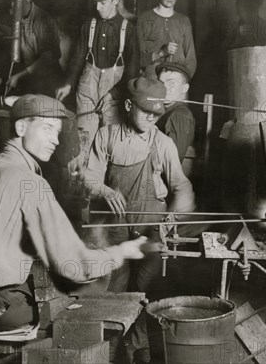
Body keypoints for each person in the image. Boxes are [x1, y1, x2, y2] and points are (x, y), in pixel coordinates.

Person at [0, 94, 148, 332]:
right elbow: (76, 265)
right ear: (21, 126)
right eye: (48, 128)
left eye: (57, 132)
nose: (56, 140)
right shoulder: (30, 183)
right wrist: (121, 251)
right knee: (86, 289)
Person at [84, 76, 195, 362]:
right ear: (129, 105)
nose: (151, 117)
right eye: (146, 110)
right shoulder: (107, 135)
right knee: (113, 293)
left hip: (150, 229)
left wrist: (173, 215)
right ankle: (109, 351)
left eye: (157, 113)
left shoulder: (163, 143)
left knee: (147, 293)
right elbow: (89, 177)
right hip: (115, 231)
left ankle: (138, 349)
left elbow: (182, 186)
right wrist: (104, 189)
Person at [58, 0, 140, 149]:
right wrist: (67, 84)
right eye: (96, 3)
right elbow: (78, 58)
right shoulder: (89, 25)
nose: (98, 7)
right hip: (88, 86)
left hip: (115, 90)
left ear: (115, 0)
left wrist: (113, 94)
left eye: (103, 3)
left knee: (109, 141)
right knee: (83, 138)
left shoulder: (129, 30)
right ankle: (81, 174)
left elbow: (132, 72)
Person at [0, 0, 64, 98]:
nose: (10, 12)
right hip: (32, 77)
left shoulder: (44, 21)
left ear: (23, 0)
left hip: (48, 79)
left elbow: (48, 57)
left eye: (12, 8)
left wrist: (19, 76)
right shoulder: (22, 18)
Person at [137, 0, 197, 81]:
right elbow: (136, 58)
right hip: (151, 83)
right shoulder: (144, 19)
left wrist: (182, 81)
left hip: (177, 83)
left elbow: (191, 59)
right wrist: (161, 53)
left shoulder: (184, 21)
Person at [155, 61, 195, 164]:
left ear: (184, 88)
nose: (165, 88)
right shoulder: (166, 110)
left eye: (171, 83)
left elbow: (171, 164)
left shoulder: (179, 115)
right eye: (161, 83)